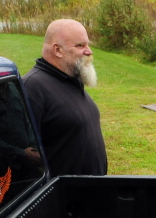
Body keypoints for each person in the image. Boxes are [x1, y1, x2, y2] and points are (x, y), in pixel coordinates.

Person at [23, 19, 107, 176]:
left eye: (87, 44)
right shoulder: (32, 88)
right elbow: (25, 156)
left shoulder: (71, 80)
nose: (89, 51)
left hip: (91, 193)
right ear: (57, 50)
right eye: (80, 45)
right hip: (64, 197)